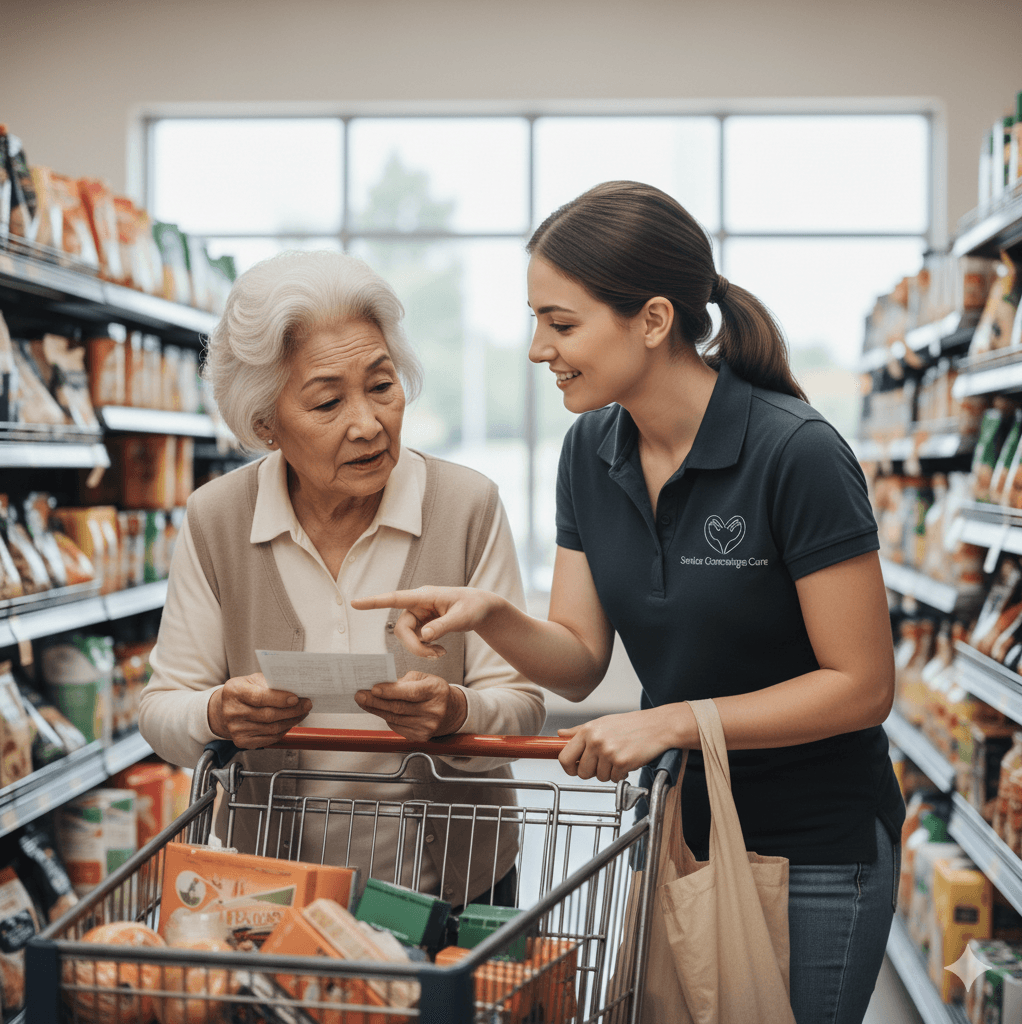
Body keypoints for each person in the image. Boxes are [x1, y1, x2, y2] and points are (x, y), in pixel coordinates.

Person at [352, 181, 905, 1024]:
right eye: (537, 320)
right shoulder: (592, 449)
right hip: (679, 833)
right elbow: (579, 661)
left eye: (561, 322)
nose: (539, 347)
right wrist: (491, 614)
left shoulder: (795, 455)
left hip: (815, 851)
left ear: (652, 320)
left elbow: (861, 685)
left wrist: (676, 722)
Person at [139, 249, 545, 910]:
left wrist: (455, 711)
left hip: (453, 887)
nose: (368, 423)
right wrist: (219, 712)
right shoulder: (216, 519)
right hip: (273, 893)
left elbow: (521, 703)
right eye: (328, 402)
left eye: (381, 386)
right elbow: (162, 711)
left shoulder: (467, 505)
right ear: (265, 424)